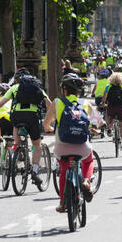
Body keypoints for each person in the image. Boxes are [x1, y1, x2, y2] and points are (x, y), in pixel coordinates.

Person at [43, 73, 95, 213]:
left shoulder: (57, 102)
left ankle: (62, 203)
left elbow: (46, 124)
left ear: (64, 89)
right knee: (89, 160)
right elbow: (98, 122)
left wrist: (51, 129)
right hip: (82, 145)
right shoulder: (86, 103)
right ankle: (86, 181)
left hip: (62, 146)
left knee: (64, 169)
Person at [0, 68, 52, 186]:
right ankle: (34, 171)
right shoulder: (37, 87)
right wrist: (49, 120)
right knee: (36, 144)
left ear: (16, 80)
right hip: (32, 117)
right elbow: (49, 104)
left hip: (17, 117)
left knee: (15, 127)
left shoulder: (14, 88)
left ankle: (17, 149)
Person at [100, 72, 122, 150]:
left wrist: (103, 104)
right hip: (121, 107)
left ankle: (110, 128)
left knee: (110, 116)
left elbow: (104, 98)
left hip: (111, 106)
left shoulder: (108, 86)